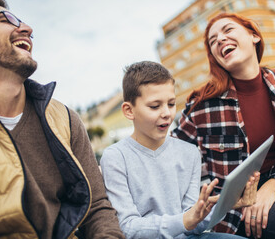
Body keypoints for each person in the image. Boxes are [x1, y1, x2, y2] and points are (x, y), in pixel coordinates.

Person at [172, 13, 275, 239]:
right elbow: (170, 163)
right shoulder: (201, 106)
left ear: (254, 36)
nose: (220, 39)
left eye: (228, 30)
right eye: (213, 40)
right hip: (243, 204)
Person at [0, 0, 124, 238]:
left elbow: (96, 208)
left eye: (23, 22)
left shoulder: (64, 118)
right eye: (6, 20)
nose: (27, 29)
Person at [100, 61, 260, 239]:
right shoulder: (115, 157)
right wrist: (184, 220)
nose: (167, 113)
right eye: (155, 106)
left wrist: (226, 205)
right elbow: (128, 228)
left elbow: (192, 225)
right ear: (129, 111)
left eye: (171, 104)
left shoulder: (189, 153)